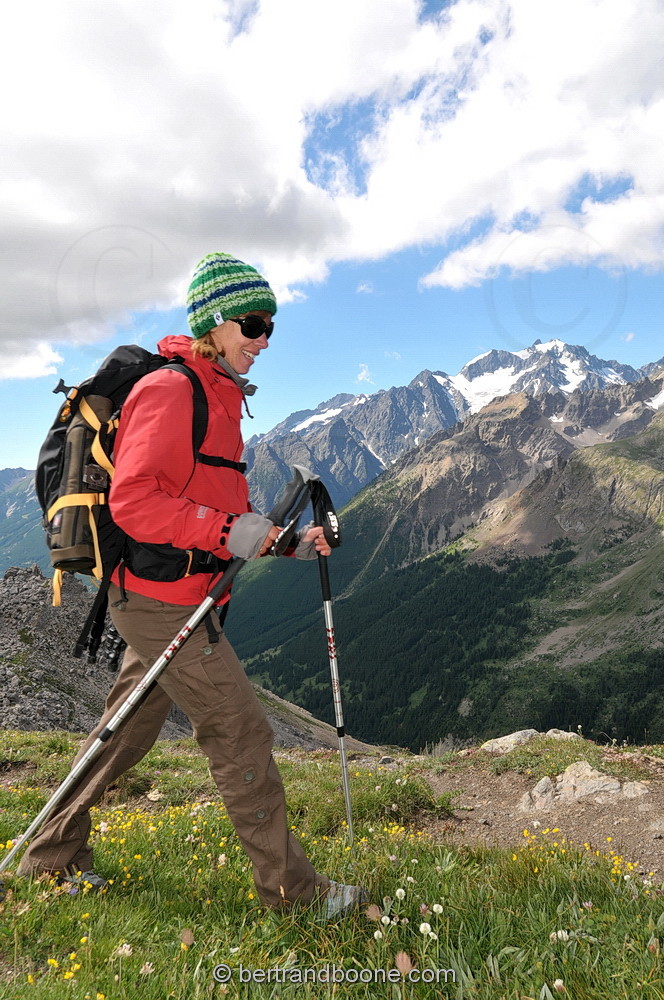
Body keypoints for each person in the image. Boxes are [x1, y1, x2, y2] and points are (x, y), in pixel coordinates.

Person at [18, 252, 366, 918]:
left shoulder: (219, 395)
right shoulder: (173, 391)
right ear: (214, 322)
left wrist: (285, 542)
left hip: (180, 595)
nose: (264, 341)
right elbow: (135, 503)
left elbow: (216, 510)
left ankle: (49, 858)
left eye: (271, 328)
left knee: (122, 732)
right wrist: (233, 534)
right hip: (159, 601)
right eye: (253, 324)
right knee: (240, 735)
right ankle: (294, 899)